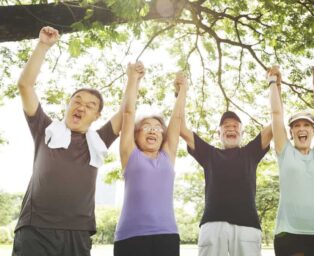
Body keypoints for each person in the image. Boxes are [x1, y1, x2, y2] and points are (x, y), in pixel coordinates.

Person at [12, 26, 132, 256]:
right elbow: (25, 86)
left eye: (90, 106)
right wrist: (43, 46)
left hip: (78, 232)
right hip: (36, 230)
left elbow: (125, 112)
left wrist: (132, 80)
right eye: (77, 100)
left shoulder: (99, 140)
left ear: (96, 116)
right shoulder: (45, 129)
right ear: (68, 106)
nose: (81, 106)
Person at [179, 93, 272, 256]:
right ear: (219, 133)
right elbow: (180, 128)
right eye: (226, 126)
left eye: (236, 126)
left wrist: (274, 87)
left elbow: (275, 125)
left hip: (247, 226)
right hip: (212, 225)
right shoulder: (209, 153)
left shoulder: (250, 152)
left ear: (242, 133)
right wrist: (180, 92)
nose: (231, 128)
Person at [268, 65, 314, 256]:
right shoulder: (285, 152)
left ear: (313, 131)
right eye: (296, 126)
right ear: (291, 132)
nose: (302, 129)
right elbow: (276, 115)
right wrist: (273, 84)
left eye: (307, 125)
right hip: (290, 233)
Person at [113, 69, 188, 256]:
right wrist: (133, 80)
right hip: (130, 236)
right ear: (136, 135)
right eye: (146, 127)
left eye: (157, 128)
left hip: (167, 235)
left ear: (163, 135)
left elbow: (177, 119)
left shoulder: (167, 155)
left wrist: (182, 90)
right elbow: (128, 113)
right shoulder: (130, 154)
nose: (153, 131)